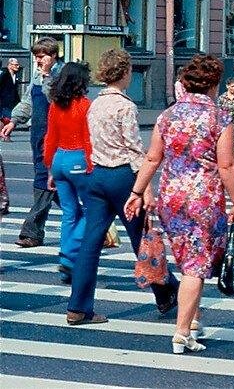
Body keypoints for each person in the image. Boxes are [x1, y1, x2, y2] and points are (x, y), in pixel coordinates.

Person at [126, 54, 234, 353]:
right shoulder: (219, 118)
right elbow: (227, 165)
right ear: (214, 84)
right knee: (195, 265)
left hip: (171, 197)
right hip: (203, 198)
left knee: (189, 259)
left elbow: (153, 158)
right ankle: (181, 333)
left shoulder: (167, 116)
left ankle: (192, 320)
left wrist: (137, 192)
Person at [67, 48, 179, 326]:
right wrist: (146, 187)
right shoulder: (125, 106)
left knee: (90, 244)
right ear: (125, 72)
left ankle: (78, 307)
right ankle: (166, 292)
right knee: (142, 238)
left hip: (97, 176)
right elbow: (134, 149)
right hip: (123, 178)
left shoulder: (95, 103)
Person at [43, 61, 93, 284]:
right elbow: (88, 139)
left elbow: (50, 137)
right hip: (78, 158)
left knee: (69, 213)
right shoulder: (85, 105)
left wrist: (50, 168)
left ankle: (66, 260)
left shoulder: (55, 104)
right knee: (93, 210)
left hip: (59, 159)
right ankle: (70, 255)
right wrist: (92, 165)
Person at [13, 37, 59, 248]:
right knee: (56, 187)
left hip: (54, 138)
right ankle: (94, 223)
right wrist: (14, 121)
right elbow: (28, 101)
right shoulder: (37, 76)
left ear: (53, 56)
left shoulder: (59, 75)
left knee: (44, 180)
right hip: (37, 135)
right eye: (36, 57)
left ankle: (31, 231)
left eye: (42, 57)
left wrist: (47, 76)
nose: (38, 61)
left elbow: (56, 99)